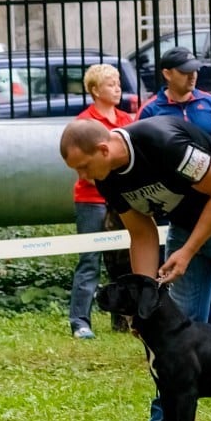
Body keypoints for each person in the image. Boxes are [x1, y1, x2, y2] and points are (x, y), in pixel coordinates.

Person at [59, 115, 211, 421]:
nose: (82, 178)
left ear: (102, 148)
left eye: (83, 167)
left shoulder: (162, 142)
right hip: (188, 224)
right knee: (171, 328)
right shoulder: (108, 179)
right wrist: (145, 308)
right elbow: (141, 233)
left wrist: (187, 252)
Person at [138, 45, 211, 326]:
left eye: (194, 70)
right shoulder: (150, 111)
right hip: (183, 211)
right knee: (190, 275)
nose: (192, 76)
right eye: (185, 72)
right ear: (167, 74)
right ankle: (187, 334)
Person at [69, 63, 135, 339]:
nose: (117, 87)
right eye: (110, 83)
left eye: (118, 82)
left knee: (125, 259)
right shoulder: (83, 124)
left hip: (123, 199)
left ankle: (125, 319)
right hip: (92, 199)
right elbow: (81, 165)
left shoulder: (128, 120)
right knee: (90, 259)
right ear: (95, 90)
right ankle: (80, 322)